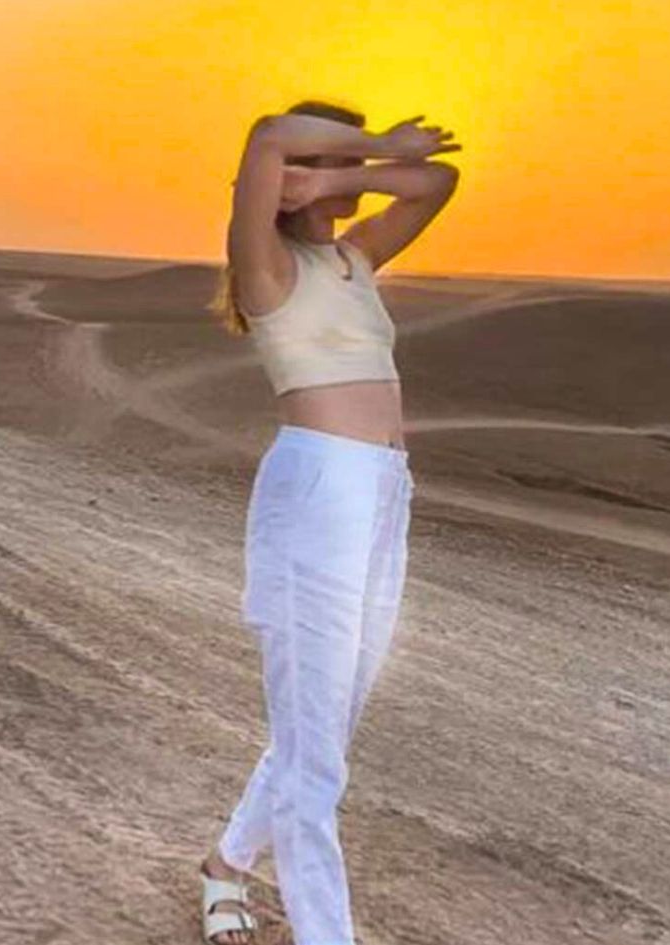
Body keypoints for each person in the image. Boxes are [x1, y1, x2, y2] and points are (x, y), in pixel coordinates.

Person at [198, 100, 461, 945]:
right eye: (324, 158)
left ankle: (228, 864)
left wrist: (349, 172)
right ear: (283, 186)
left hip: (385, 492)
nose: (339, 177)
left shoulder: (353, 258)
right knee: (317, 761)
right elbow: (266, 137)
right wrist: (371, 150)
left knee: (328, 722)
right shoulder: (266, 267)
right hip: (318, 496)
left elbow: (441, 180)